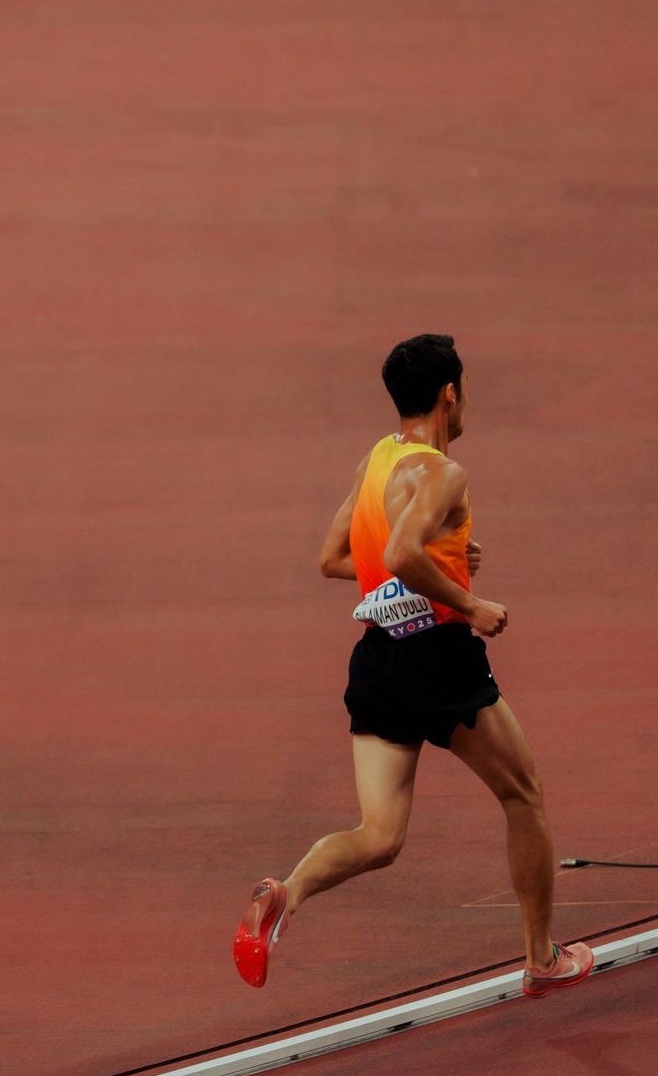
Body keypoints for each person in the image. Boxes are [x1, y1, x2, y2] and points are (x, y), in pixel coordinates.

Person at [233, 334, 593, 999]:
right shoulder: (442, 473)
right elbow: (400, 554)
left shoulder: (378, 458)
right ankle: (542, 959)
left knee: (379, 836)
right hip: (441, 659)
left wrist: (446, 560)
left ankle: (287, 893)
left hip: (379, 660)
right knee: (523, 794)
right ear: (449, 393)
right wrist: (470, 602)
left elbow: (336, 559)